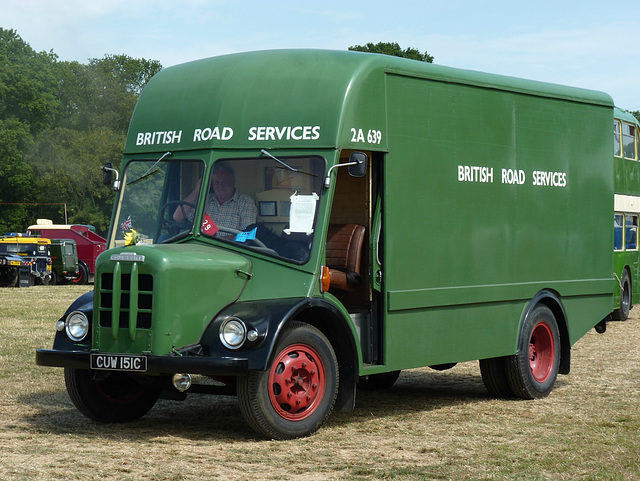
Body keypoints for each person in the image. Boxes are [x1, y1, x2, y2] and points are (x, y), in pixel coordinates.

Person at [173, 164, 257, 232]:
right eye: (216, 182)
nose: (220, 185)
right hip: (200, 247)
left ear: (233, 181)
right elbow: (177, 217)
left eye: (225, 181)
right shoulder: (204, 200)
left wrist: (215, 241)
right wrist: (197, 190)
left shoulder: (245, 201)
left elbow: (247, 234)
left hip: (230, 250)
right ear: (211, 184)